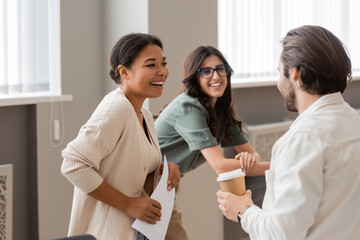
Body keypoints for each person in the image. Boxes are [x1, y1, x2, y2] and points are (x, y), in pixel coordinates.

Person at [217, 25, 360, 239]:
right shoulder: (352, 120)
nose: (278, 83)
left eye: (278, 72)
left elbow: (281, 233)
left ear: (295, 72)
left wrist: (243, 210)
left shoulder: (303, 139)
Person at [61, 33, 181, 240]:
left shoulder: (143, 115)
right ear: (124, 72)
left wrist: (161, 170)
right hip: (106, 233)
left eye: (163, 63)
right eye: (151, 65)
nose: (162, 71)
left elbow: (131, 168)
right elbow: (73, 164)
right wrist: (128, 204)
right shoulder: (116, 108)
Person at [154, 46, 270, 239]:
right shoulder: (188, 107)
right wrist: (280, 166)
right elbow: (221, 166)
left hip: (168, 182)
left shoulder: (220, 111)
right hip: (145, 181)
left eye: (220, 69)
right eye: (206, 71)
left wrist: (250, 158)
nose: (216, 76)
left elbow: (253, 156)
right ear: (195, 77)